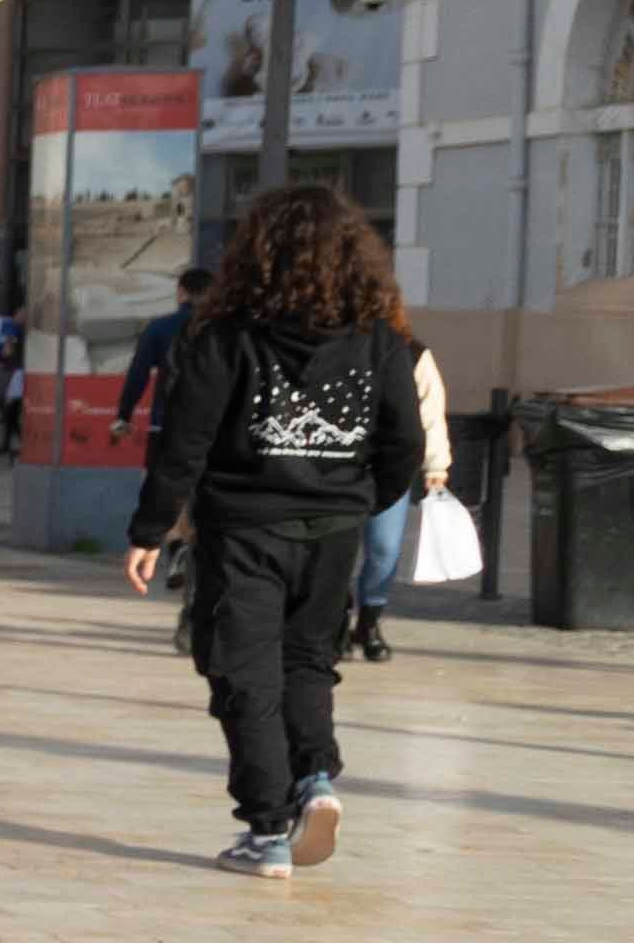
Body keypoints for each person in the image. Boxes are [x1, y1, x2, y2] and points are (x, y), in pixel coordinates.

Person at [123, 184, 420, 876]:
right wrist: (359, 498)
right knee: (309, 659)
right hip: (334, 527)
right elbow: (403, 440)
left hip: (243, 529)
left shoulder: (225, 335)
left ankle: (266, 830)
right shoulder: (377, 339)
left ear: (255, 252)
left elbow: (185, 442)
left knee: (243, 671)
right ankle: (316, 778)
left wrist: (148, 528)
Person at [347, 311, 453, 666]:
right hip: (337, 466)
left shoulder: (412, 354)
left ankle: (369, 621)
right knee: (337, 549)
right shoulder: (336, 347)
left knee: (384, 549)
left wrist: (436, 464)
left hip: (389, 467)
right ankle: (333, 620)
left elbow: (430, 409)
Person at [110, 267, 212, 440]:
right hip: (211, 428)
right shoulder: (226, 331)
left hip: (165, 424)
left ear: (181, 292)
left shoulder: (159, 328)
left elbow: (138, 375)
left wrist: (123, 416)